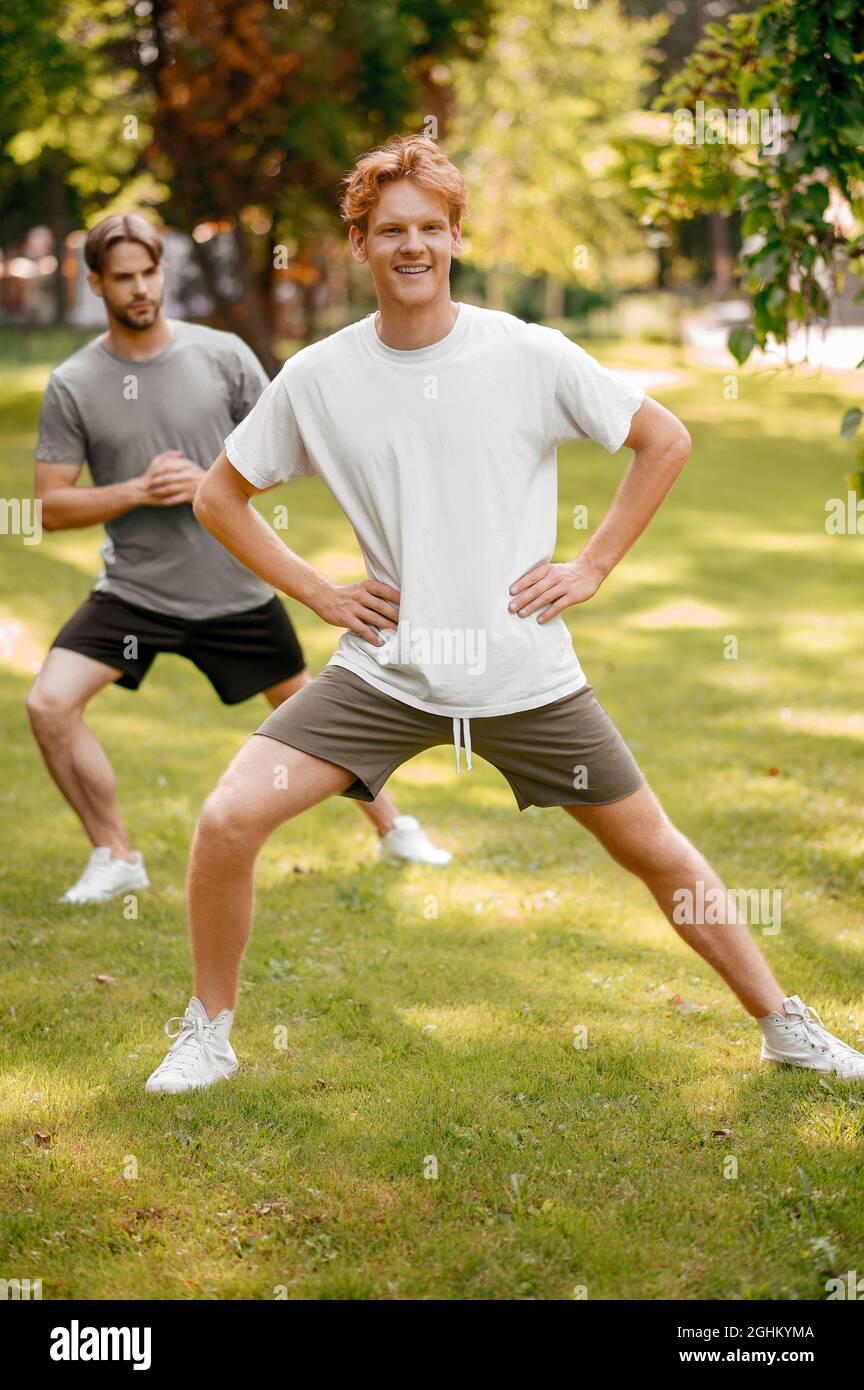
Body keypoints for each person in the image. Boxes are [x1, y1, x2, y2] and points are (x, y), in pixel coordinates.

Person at [145, 135, 864, 1093]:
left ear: (455, 238)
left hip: (524, 677)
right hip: (386, 675)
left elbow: (664, 439)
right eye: (392, 229)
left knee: (654, 850)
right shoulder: (319, 375)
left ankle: (785, 1027)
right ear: (359, 242)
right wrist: (319, 592)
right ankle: (208, 1035)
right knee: (228, 820)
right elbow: (218, 497)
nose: (414, 247)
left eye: (432, 229)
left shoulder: (528, 353)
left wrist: (593, 565)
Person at [27, 213, 451, 906]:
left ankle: (396, 828)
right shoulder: (74, 383)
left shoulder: (221, 356)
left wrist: (211, 485)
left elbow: (287, 452)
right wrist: (137, 490)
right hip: (135, 594)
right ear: (97, 282)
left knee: (318, 717)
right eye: (123, 278)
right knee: (48, 703)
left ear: (162, 273)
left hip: (237, 592)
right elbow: (49, 506)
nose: (139, 289)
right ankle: (115, 854)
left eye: (149, 273)